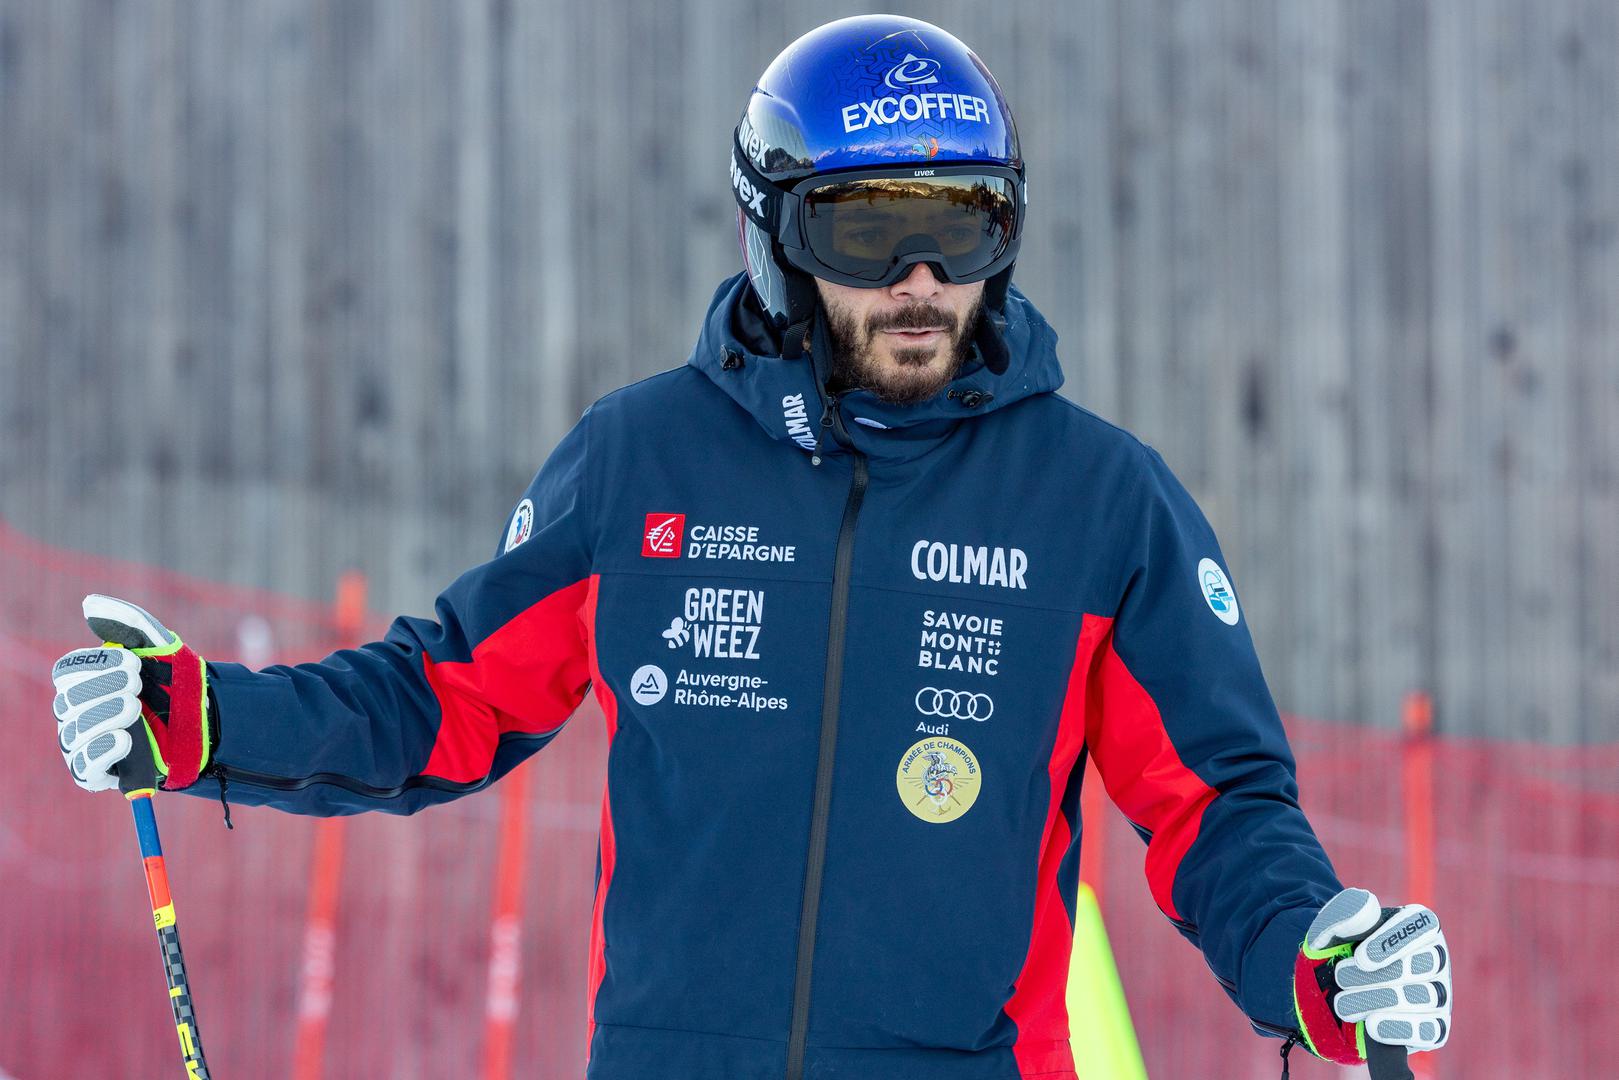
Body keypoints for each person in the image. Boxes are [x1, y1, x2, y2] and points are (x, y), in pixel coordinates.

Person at [50, 14, 1451, 1080]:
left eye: (961, 228)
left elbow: (1219, 811)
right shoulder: (641, 461)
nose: (921, 280)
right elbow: (443, 699)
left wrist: (1316, 958)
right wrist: (201, 718)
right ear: (777, 234)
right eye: (871, 230)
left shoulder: (1098, 503)